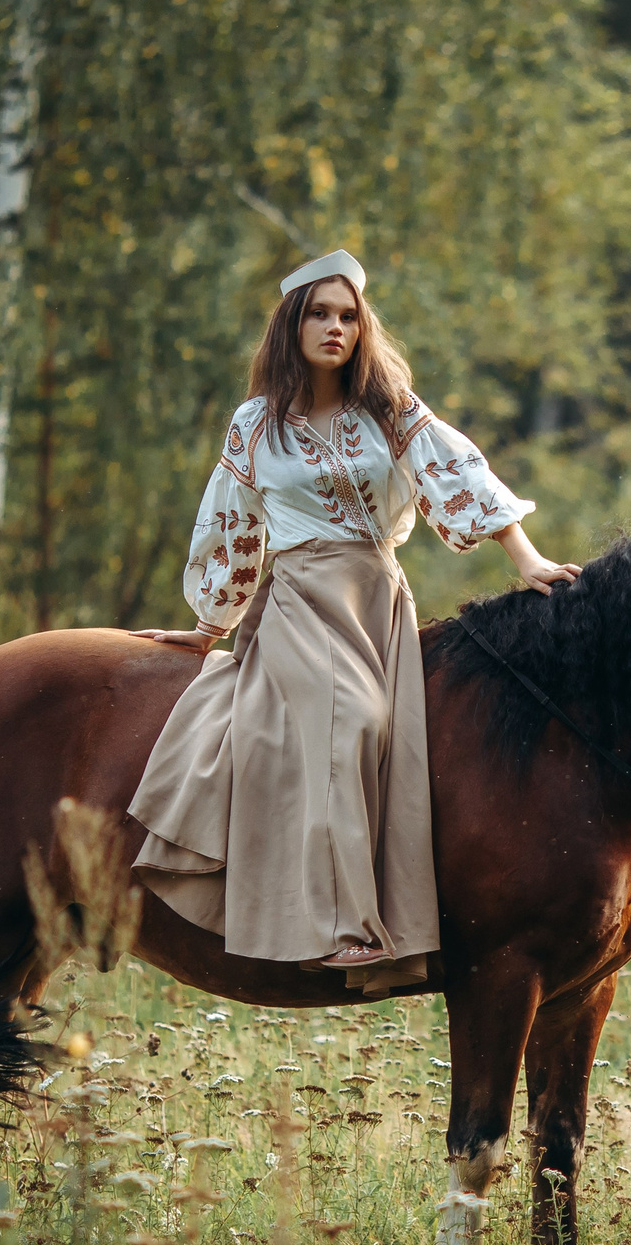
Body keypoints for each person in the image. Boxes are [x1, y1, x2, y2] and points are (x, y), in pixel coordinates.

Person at [127, 250, 578, 989]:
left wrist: (525, 560)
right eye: (319, 314)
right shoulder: (254, 425)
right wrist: (210, 625)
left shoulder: (388, 408)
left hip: (378, 596)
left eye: (347, 316)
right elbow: (232, 524)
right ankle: (341, 926)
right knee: (355, 721)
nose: (335, 327)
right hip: (300, 600)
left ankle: (409, 919)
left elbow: (456, 471)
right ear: (292, 325)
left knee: (402, 740)